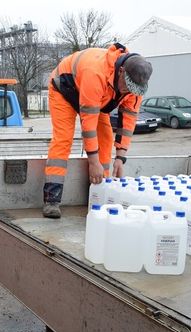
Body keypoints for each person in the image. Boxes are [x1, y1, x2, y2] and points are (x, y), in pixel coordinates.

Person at [43, 43, 153, 219]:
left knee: (106, 138)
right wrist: (94, 162)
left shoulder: (136, 84)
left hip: (98, 97)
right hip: (64, 89)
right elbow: (89, 123)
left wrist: (120, 157)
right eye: (126, 86)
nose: (127, 91)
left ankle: (100, 194)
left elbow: (128, 121)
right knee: (64, 138)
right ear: (121, 71)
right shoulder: (96, 72)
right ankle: (52, 199)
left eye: (132, 89)